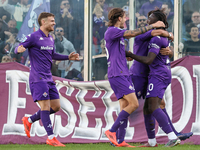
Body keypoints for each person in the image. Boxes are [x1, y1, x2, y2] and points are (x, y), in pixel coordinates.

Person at [127, 10, 193, 147]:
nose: (146, 21)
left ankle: (172, 136)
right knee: (149, 107)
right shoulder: (156, 37)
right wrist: (169, 36)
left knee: (149, 105)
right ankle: (152, 141)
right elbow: (160, 40)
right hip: (154, 74)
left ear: (157, 21)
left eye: (149, 18)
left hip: (153, 75)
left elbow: (150, 58)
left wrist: (130, 55)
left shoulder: (154, 37)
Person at [14, 12, 79, 147]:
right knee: (45, 107)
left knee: (56, 107)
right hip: (37, 77)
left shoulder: (50, 38)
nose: (54, 23)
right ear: (43, 22)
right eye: (52, 21)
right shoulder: (33, 37)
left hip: (49, 78)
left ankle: (29, 120)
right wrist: (18, 49)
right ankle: (51, 137)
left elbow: (53, 54)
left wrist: (68, 57)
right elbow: (18, 47)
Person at [104, 7, 165, 147]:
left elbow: (113, 50)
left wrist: (125, 54)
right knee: (134, 104)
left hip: (122, 73)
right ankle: (112, 131)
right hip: (117, 74)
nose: (126, 19)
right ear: (119, 18)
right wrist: (153, 26)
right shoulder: (113, 31)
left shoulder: (116, 34)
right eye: (124, 16)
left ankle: (120, 141)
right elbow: (132, 33)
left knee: (125, 105)